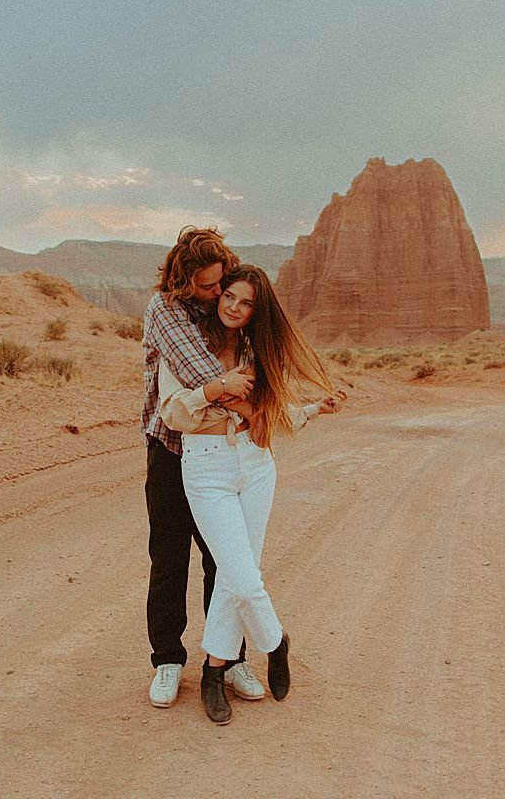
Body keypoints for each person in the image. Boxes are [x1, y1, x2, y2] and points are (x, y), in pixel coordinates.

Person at [157, 265, 347, 725]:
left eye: (246, 303)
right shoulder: (186, 344)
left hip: (257, 465)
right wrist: (220, 392)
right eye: (230, 297)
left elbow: (268, 418)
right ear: (219, 295)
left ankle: (213, 671)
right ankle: (275, 641)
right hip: (205, 468)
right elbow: (174, 411)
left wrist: (312, 410)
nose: (234, 307)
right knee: (241, 576)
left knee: (233, 574)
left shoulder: (256, 350)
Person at [141, 227, 261, 708]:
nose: (217, 296)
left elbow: (261, 371)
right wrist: (242, 396)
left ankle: (230, 659)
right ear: (184, 279)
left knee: (225, 560)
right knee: (169, 559)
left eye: (221, 286)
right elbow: (204, 377)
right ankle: (168, 659)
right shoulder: (164, 311)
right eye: (208, 287)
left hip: (223, 453)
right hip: (171, 450)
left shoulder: (225, 306)